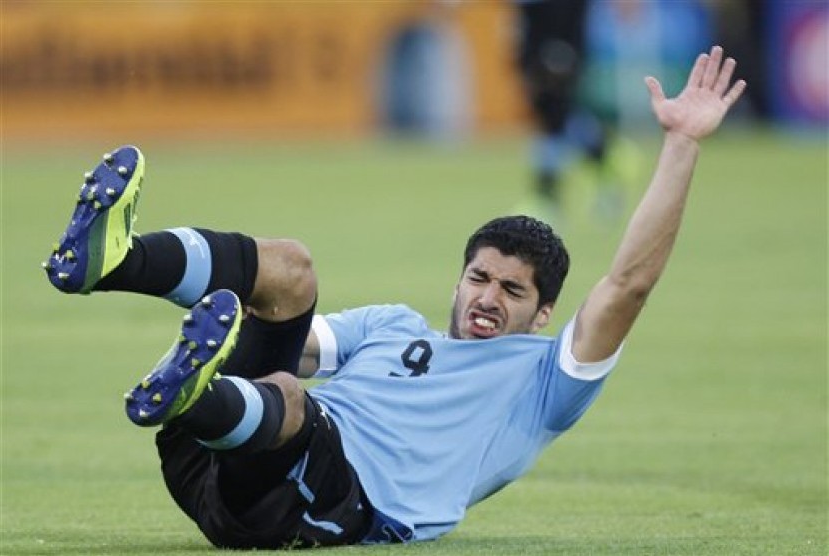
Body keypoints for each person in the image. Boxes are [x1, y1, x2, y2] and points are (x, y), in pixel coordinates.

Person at [43, 46, 745, 549]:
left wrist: (681, 143)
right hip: (216, 457)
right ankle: (112, 262)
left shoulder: (542, 385)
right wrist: (234, 331)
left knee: (289, 396)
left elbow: (629, 284)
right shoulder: (391, 325)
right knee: (290, 269)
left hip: (318, 505)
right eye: (479, 277)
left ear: (543, 314)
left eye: (511, 290)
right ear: (459, 277)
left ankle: (195, 395)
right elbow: (296, 334)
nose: (488, 297)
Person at [513, 0, 624, 220]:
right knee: (558, 118)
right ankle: (604, 156)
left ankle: (546, 197)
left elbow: (575, 17)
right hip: (536, 43)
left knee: (554, 119)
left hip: (564, 45)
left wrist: (568, 51)